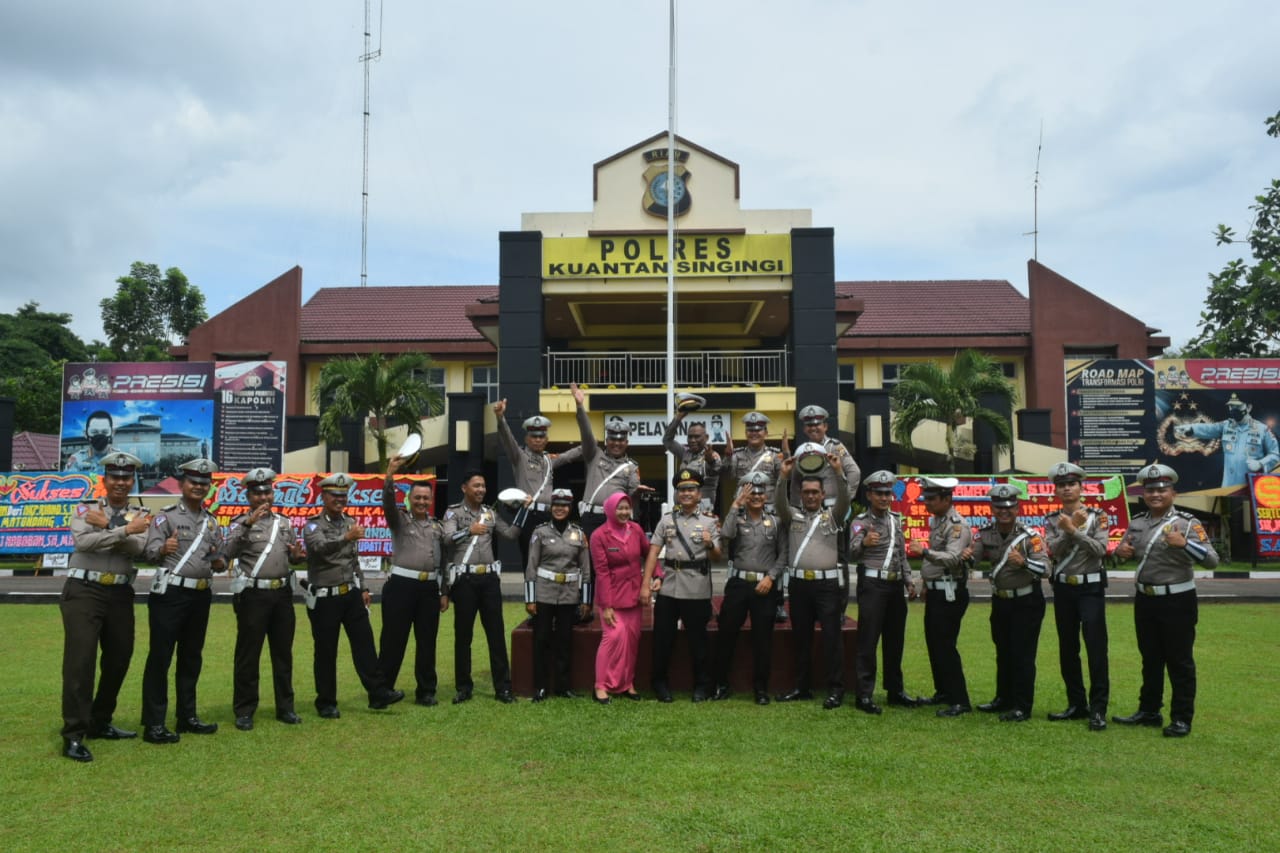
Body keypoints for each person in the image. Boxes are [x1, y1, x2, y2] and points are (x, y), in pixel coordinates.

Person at [1112, 464, 1218, 738]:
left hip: (1177, 601)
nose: (1156, 494)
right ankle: (1149, 711)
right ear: (1143, 494)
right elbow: (1120, 554)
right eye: (1150, 490)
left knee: (1179, 661)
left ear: (1173, 492)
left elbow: (1211, 560)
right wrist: (1119, 553)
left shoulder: (1187, 523)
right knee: (1150, 658)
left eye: (1162, 489)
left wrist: (1185, 544)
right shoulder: (1137, 523)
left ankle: (1181, 718)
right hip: (1145, 600)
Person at [58, 451, 150, 762]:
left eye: (126, 477)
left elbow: (140, 547)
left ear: (132, 480)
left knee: (120, 658)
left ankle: (100, 720)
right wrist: (123, 530)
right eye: (115, 476)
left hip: (120, 593)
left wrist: (108, 527)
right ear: (105, 480)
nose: (121, 482)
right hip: (84, 590)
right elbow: (83, 543)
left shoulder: (141, 512)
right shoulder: (86, 507)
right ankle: (74, 733)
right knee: (80, 662)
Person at [302, 473, 404, 719]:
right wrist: (345, 538)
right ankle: (326, 702)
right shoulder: (314, 525)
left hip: (351, 593)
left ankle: (378, 694)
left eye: (342, 495)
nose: (339, 499)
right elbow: (318, 550)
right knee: (326, 651)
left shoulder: (349, 522)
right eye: (334, 495)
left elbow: (354, 560)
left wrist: (365, 588)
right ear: (323, 496)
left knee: (365, 645)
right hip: (325, 597)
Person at [140, 458, 225, 744]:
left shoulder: (211, 521)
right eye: (193, 482)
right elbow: (150, 552)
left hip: (201, 594)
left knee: (191, 658)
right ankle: (154, 724)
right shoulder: (166, 517)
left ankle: (187, 717)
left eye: (204, 483)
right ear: (181, 484)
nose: (199, 487)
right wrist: (164, 547)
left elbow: (218, 561)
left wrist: (219, 560)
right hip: (171, 594)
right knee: (161, 658)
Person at [224, 467, 305, 731]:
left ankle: (286, 707)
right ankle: (245, 709)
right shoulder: (239, 523)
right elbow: (227, 551)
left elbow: (293, 556)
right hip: (253, 595)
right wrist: (247, 523)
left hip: (281, 594)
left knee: (283, 654)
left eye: (267, 492)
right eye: (257, 493)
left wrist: (296, 555)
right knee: (249, 654)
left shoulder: (284, 523)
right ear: (248, 495)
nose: (263, 498)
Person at [773, 451, 850, 709]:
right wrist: (783, 477)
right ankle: (801, 687)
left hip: (827, 587)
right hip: (798, 586)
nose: (810, 496)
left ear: (822, 494)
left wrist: (838, 473)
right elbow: (779, 503)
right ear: (801, 494)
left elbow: (845, 501)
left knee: (831, 638)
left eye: (815, 492)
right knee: (801, 638)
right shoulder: (792, 516)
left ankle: (835, 689)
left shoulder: (833, 517)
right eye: (806, 492)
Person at [640, 469, 722, 702]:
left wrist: (709, 544)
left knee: (699, 641)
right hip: (669, 587)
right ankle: (659, 684)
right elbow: (653, 552)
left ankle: (702, 686)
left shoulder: (709, 521)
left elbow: (717, 555)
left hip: (696, 588)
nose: (686, 493)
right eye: (682, 490)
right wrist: (645, 585)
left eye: (691, 489)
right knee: (663, 639)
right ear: (677, 494)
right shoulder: (666, 520)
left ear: (699, 494)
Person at [442, 470, 522, 704]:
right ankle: (464, 687)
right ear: (464, 488)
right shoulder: (453, 512)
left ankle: (503, 688)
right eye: (476, 485)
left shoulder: (490, 513)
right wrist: (469, 530)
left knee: (496, 634)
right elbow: (446, 539)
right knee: (463, 635)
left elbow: (509, 534)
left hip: (488, 581)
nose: (481, 490)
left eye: (483, 486)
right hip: (465, 581)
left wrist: (523, 511)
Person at [970, 483, 1048, 723]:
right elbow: (973, 560)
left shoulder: (1031, 537)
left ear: (1018, 508)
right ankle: (1003, 698)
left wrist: (1023, 562)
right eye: (999, 507)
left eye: (1009, 507)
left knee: (1023, 655)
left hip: (1026, 601)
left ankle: (1022, 706)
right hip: (1000, 602)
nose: (1004, 511)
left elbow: (1045, 569)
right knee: (1003, 652)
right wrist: (967, 556)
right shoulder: (986, 534)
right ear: (992, 509)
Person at [847, 470, 922, 714]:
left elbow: (901, 555)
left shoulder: (895, 520)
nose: (884, 498)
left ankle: (895, 691)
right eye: (879, 493)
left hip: (894, 586)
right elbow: (851, 552)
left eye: (888, 493)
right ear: (869, 495)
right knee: (868, 641)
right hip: (872, 585)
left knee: (895, 640)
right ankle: (864, 695)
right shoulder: (861, 522)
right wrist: (864, 543)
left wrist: (909, 581)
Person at [1043, 461, 1110, 731]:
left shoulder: (1098, 516)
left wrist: (1072, 531)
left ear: (1081, 487)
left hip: (1090, 588)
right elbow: (1053, 551)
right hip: (1063, 589)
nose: (1067, 488)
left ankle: (1098, 709)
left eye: (1071, 483)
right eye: (1061, 485)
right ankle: (1076, 704)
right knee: (1068, 648)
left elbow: (1100, 549)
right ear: (1056, 490)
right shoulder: (1052, 520)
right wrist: (1068, 528)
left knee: (1095, 649)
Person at [494, 382, 592, 564]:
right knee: (531, 564)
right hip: (529, 515)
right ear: (527, 438)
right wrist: (501, 419)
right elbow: (508, 440)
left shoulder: (549, 460)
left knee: (551, 562)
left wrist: (580, 408)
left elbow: (581, 450)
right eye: (534, 436)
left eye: (541, 436)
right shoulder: (520, 457)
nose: (537, 440)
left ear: (547, 439)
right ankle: (531, 593)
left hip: (550, 516)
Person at [378, 456, 447, 707]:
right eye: (416, 498)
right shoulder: (399, 521)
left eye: (425, 498)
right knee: (393, 639)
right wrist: (389, 475)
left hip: (429, 588)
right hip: (400, 587)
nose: (421, 502)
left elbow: (444, 561)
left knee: (427, 641)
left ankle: (426, 691)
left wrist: (444, 591)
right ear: (409, 499)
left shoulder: (437, 528)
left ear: (431, 501)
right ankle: (383, 690)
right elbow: (387, 502)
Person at [711, 473, 784, 705]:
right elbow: (725, 535)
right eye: (752, 492)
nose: (756, 496)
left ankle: (760, 689)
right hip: (739, 584)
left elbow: (784, 554)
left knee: (763, 639)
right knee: (726, 634)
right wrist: (735, 505)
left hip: (765, 585)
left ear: (767, 496)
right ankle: (721, 684)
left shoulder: (775, 521)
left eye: (761, 492)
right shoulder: (738, 518)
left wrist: (771, 578)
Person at [907, 477, 974, 718]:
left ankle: (960, 700)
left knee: (945, 646)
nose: (927, 503)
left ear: (947, 499)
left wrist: (923, 551)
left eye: (932, 499)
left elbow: (953, 558)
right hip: (937, 590)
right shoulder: (938, 521)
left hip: (951, 592)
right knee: (934, 644)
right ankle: (944, 691)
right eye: (925, 498)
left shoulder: (957, 525)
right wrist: (926, 582)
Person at [524, 489, 592, 701]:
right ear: (551, 508)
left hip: (568, 595)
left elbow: (586, 568)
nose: (560, 509)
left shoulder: (579, 534)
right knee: (541, 640)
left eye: (564, 505)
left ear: (570, 508)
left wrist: (586, 600)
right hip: (544, 593)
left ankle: (563, 687)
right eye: (556, 505)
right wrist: (530, 598)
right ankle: (540, 687)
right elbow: (531, 566)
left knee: (565, 641)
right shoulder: (540, 532)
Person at [590, 491, 648, 704]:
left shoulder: (636, 529)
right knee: (613, 638)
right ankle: (601, 685)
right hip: (612, 597)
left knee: (632, 641)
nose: (624, 512)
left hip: (634, 595)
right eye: (619, 508)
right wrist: (606, 605)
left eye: (627, 508)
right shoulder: (599, 535)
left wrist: (657, 575)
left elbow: (649, 553)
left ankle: (627, 683)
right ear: (610, 510)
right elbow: (601, 571)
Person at [558, 413, 651, 538]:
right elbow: (586, 433)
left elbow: (631, 500)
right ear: (607, 441)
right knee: (589, 556)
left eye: (620, 440)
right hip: (591, 517)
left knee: (613, 556)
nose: (616, 443)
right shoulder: (594, 455)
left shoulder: (631, 467)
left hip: (615, 519)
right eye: (613, 439)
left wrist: (637, 492)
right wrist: (580, 406)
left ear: (626, 442)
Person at [1174, 393, 1280, 488]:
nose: (1234, 409)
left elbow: (1275, 454)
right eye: (1231, 406)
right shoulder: (1226, 426)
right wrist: (1191, 428)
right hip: (1228, 486)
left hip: (1252, 486)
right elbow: (1209, 428)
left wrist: (1260, 463)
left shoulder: (1262, 429)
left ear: (1248, 407)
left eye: (1238, 406)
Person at [663, 406, 722, 512]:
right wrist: (678, 418)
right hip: (681, 510)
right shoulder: (686, 453)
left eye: (697, 436)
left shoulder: (713, 455)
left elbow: (715, 469)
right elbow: (667, 441)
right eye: (690, 437)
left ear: (706, 437)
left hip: (701, 511)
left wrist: (710, 461)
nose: (693, 440)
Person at [723, 412, 784, 503]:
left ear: (766, 433)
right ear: (745, 433)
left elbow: (783, 480)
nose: (754, 434)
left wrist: (787, 456)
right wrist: (728, 456)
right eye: (750, 431)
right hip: (743, 505)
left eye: (758, 430)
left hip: (767, 505)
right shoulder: (737, 455)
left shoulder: (775, 455)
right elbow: (727, 476)